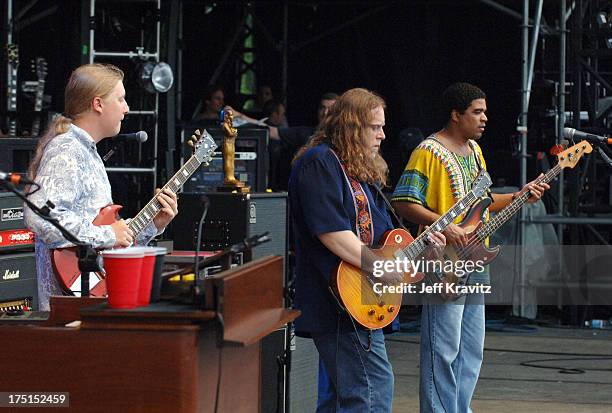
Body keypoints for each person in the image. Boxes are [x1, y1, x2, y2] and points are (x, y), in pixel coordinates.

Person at [390, 82, 549, 413]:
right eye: (477, 112)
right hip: (442, 261)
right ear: (455, 115)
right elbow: (404, 201)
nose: (484, 118)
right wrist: (444, 225)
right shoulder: (428, 152)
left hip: (475, 260)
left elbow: (484, 202)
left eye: (485, 111)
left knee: (471, 349)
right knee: (443, 348)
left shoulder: (475, 152)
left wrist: (521, 195)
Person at [289, 87, 444, 412]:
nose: (383, 135)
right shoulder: (319, 163)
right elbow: (332, 233)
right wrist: (379, 267)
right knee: (370, 390)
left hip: (357, 300)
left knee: (342, 397)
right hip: (338, 301)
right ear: (351, 125)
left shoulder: (355, 171)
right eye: (376, 127)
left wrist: (421, 247)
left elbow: (385, 241)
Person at [24, 63, 178, 311]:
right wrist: (109, 234)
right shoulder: (66, 150)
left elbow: (105, 242)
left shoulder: (87, 153)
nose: (126, 109)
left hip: (87, 300)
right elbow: (39, 217)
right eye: (121, 99)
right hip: (67, 311)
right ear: (98, 104)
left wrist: (152, 225)